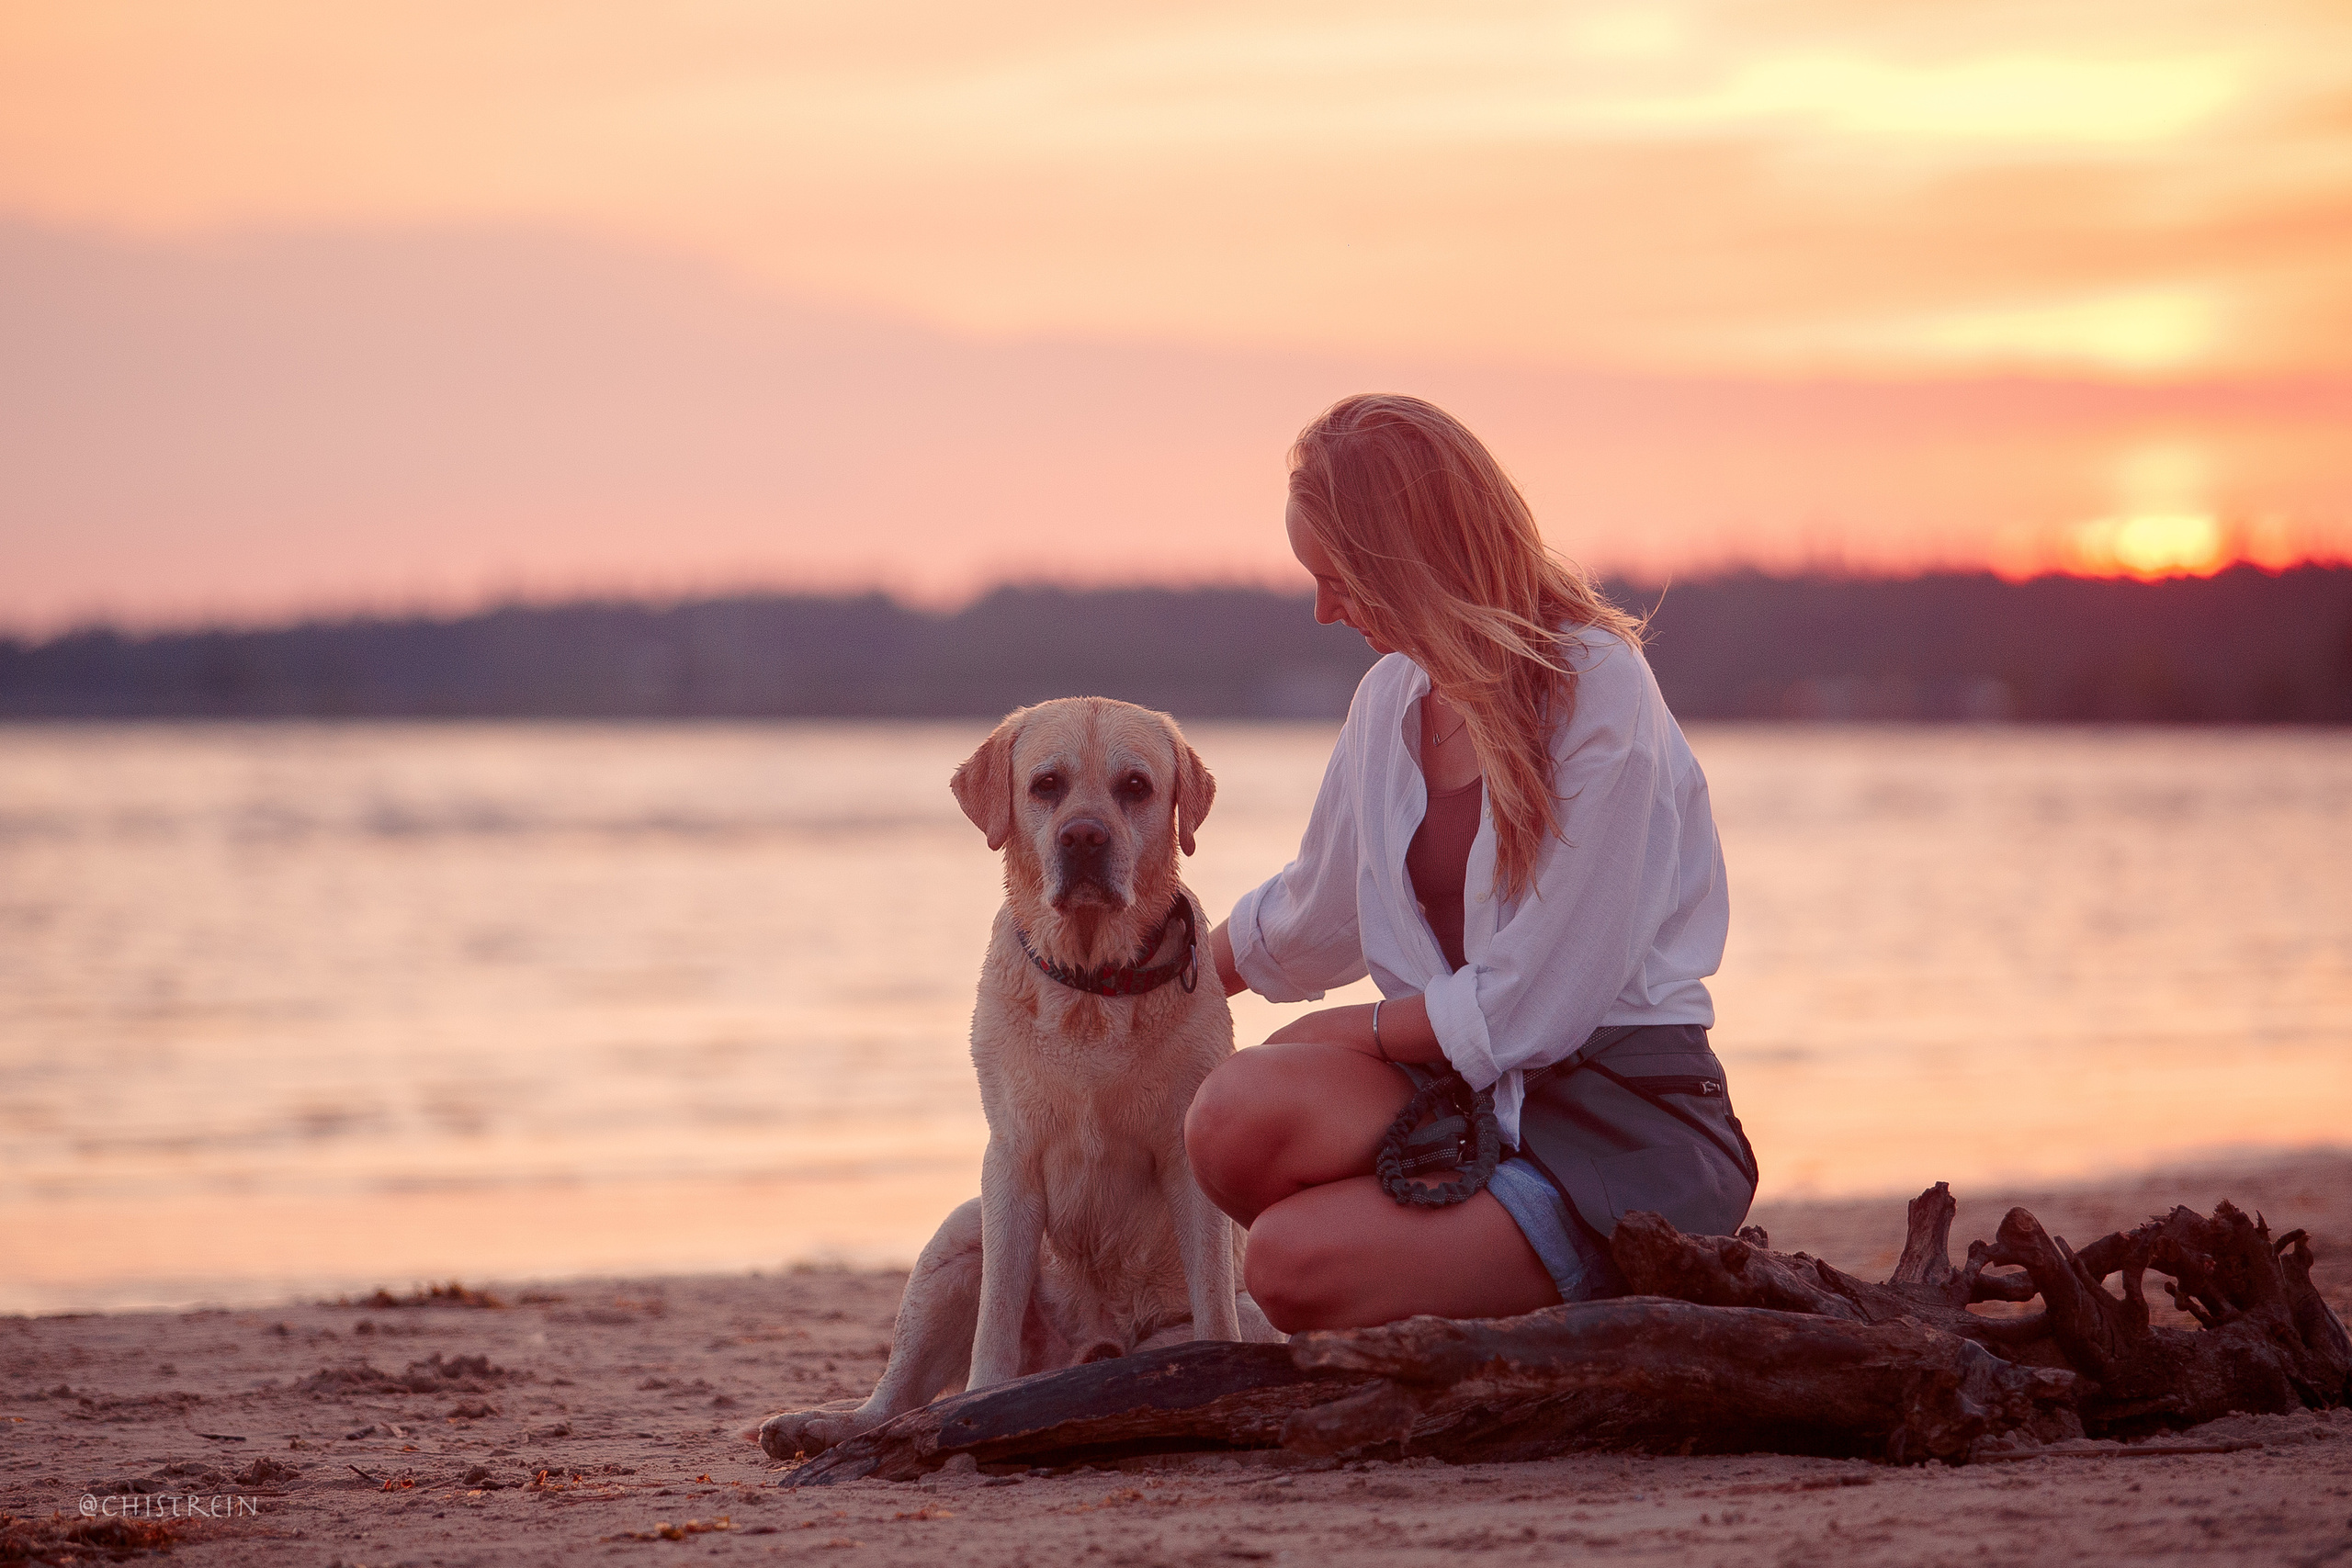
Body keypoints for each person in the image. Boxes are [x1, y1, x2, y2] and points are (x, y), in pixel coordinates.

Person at [1183, 393, 1756, 1333]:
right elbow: (1312, 915)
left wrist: (1352, 1031)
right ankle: (1452, 1264)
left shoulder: (1597, 690)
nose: (1325, 611)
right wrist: (1154, 980)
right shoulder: (1387, 702)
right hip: (1460, 1104)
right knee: (1230, 1114)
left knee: (1283, 1268)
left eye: (1338, 578)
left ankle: (1604, 1275)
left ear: (1407, 562)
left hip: (1617, 1117)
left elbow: (1540, 1005)